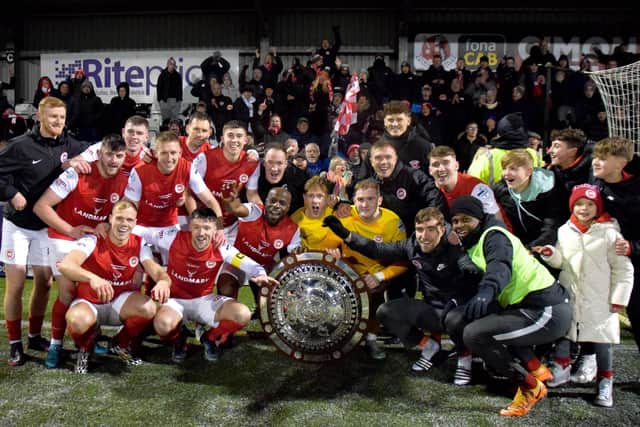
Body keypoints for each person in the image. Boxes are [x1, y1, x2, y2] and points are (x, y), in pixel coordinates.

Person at [323, 206, 479, 383]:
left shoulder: (455, 246)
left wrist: (470, 269)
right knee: (385, 312)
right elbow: (376, 249)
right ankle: (429, 347)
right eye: (420, 229)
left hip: (459, 310)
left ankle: (465, 360)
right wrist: (345, 234)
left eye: (431, 229)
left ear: (442, 230)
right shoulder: (411, 246)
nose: (424, 236)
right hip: (433, 310)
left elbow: (468, 264)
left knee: (455, 320)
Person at [448, 196, 571, 417]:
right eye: (455, 221)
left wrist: (487, 291)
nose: (459, 225)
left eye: (465, 219)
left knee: (475, 335)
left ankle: (529, 387)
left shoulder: (494, 236)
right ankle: (536, 369)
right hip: (525, 306)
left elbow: (500, 267)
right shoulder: (474, 242)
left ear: (479, 219)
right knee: (460, 320)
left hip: (546, 311)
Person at [0, 96, 90, 366]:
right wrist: (11, 192)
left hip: (46, 225)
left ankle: (36, 335)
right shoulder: (20, 146)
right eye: (53, 117)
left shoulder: (71, 144)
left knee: (45, 282)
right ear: (39, 117)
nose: (58, 122)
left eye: (62, 118)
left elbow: (100, 151)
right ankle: (15, 343)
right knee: (15, 285)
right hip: (18, 225)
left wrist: (140, 151)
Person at [33, 134, 129, 367]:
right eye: (109, 154)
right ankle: (56, 345)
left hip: (93, 239)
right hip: (63, 236)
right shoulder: (78, 173)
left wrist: (106, 223)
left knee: (88, 290)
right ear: (99, 153)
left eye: (119, 155)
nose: (114, 160)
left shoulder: (126, 179)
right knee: (67, 292)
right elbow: (41, 206)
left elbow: (119, 212)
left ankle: (86, 338)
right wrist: (71, 229)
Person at [534, 184, 633, 407]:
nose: (584, 209)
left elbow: (623, 269)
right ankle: (561, 367)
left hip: (601, 298)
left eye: (590, 204)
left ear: (598, 207)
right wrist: (551, 255)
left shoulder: (610, 233)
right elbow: (562, 261)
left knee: (602, 341)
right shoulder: (564, 230)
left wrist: (619, 297)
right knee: (565, 330)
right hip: (571, 293)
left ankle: (605, 381)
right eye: (579, 204)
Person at [149, 207, 278, 363]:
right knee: (162, 324)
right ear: (190, 226)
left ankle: (208, 338)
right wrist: (146, 257)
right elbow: (141, 234)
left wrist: (260, 275)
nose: (201, 233)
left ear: (215, 230)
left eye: (206, 228)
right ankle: (179, 340)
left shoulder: (222, 248)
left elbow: (250, 265)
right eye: (196, 227)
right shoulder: (173, 238)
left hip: (204, 301)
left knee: (242, 314)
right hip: (175, 301)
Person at [59, 200, 171, 373]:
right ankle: (85, 348)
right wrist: (92, 278)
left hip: (119, 303)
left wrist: (163, 281)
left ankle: (120, 344)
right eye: (119, 218)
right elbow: (66, 265)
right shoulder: (93, 240)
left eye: (129, 220)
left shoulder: (139, 243)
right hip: (89, 302)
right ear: (110, 219)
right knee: (77, 320)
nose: (124, 224)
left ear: (135, 222)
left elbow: (156, 271)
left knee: (149, 307)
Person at [323, 180, 408, 360]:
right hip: (347, 268)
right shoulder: (344, 215)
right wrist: (333, 254)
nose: (365, 204)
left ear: (380, 200)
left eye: (370, 199)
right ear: (353, 200)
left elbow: (403, 261)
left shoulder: (392, 222)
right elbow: (329, 246)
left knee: (372, 290)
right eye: (360, 199)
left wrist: (380, 276)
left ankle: (371, 338)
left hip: (375, 271)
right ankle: (334, 333)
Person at [124, 131, 223, 264]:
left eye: (173, 153)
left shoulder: (188, 168)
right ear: (155, 153)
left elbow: (210, 200)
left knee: (185, 261)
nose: (169, 158)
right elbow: (131, 206)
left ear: (180, 153)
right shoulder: (140, 170)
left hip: (169, 225)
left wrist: (220, 228)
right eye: (164, 153)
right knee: (137, 266)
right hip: (141, 225)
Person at [590, 137, 640, 353]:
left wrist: (634, 247)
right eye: (595, 157)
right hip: (617, 265)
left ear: (621, 163)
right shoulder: (598, 185)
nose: (595, 162)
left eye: (602, 158)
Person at [218, 187, 300, 313]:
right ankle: (227, 319)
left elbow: (295, 253)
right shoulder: (254, 211)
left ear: (288, 207)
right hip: (239, 261)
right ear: (265, 201)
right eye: (272, 201)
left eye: (282, 203)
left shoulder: (293, 229)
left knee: (273, 309)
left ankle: (260, 307)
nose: (276, 205)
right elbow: (236, 208)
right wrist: (229, 200)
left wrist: (298, 252)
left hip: (263, 269)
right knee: (225, 287)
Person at [191, 120, 260, 240]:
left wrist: (261, 214)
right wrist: (197, 221)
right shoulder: (205, 158)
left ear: (245, 140)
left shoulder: (252, 163)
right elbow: (189, 192)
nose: (234, 140)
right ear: (222, 138)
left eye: (239, 136)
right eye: (230, 136)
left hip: (232, 224)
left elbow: (252, 194)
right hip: (204, 222)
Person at [492, 149, 566, 249]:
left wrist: (530, 249)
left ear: (529, 171)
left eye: (513, 169)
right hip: (513, 245)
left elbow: (551, 227)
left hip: (541, 247)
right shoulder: (500, 189)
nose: (506, 173)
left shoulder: (549, 191)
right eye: (504, 168)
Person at [428, 146, 508, 228]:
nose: (441, 169)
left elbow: (498, 223)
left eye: (446, 163)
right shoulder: (431, 191)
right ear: (430, 170)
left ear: (456, 165)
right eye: (436, 165)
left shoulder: (477, 188)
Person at [358, 100, 433, 179]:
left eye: (399, 119)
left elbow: (432, 181)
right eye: (390, 120)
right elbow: (363, 181)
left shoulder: (424, 147)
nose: (395, 124)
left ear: (408, 121)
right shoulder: (375, 149)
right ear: (384, 122)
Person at [468, 113, 543, 185]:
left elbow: (471, 185)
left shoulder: (486, 157)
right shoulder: (534, 155)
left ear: (500, 133)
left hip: (495, 197)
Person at [291, 176, 342, 251]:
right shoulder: (295, 220)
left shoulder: (337, 212)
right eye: (311, 195)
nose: (315, 200)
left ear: (327, 198)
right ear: (304, 198)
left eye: (320, 196)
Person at [254, 143, 307, 214]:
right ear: (264, 163)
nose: (274, 168)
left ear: (286, 164)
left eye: (279, 163)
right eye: (270, 162)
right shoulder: (254, 173)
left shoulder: (297, 176)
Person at [157, 57, 183, 122]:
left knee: (174, 121)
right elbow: (159, 88)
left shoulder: (177, 75)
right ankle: (166, 132)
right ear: (167, 64)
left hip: (176, 100)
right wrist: (160, 100)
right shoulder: (162, 75)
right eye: (171, 64)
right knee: (166, 120)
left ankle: (174, 132)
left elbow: (180, 88)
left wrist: (179, 99)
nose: (172, 66)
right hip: (165, 100)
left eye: (174, 64)